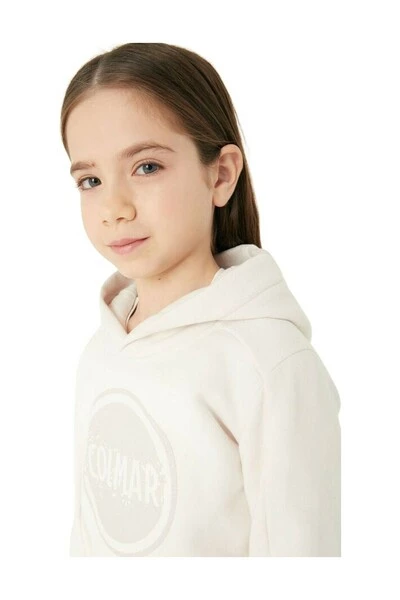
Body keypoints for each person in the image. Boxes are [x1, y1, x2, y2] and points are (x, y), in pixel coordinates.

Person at [61, 42, 341, 557]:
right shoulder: (101, 350)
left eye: (147, 167)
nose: (114, 207)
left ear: (221, 174)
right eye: (91, 180)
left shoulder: (269, 363)